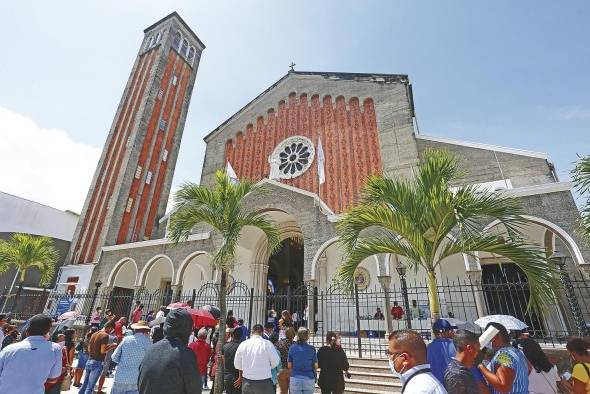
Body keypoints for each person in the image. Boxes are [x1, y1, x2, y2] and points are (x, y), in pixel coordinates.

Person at [138, 308, 202, 394]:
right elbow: (195, 389)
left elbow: (140, 382)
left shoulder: (151, 349)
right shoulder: (186, 355)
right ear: (187, 329)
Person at [0, 314, 62, 394]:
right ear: (48, 331)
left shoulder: (9, 349)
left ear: (27, 331)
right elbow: (53, 379)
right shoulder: (55, 349)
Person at [387, 329, 447, 394]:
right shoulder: (423, 382)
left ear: (405, 359)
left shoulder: (417, 388)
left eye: (390, 353)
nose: (389, 358)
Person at [477, 322, 529, 394]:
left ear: (494, 337)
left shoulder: (503, 355)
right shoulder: (517, 352)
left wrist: (480, 365)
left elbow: (503, 386)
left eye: (487, 338)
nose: (487, 342)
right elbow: (529, 368)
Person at [234, 323, 280, 394]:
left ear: (252, 332)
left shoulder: (243, 344)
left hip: (247, 382)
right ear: (262, 333)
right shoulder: (268, 344)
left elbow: (237, 364)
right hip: (264, 382)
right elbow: (276, 362)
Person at [111, 320, 152, 394]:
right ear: (146, 331)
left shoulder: (126, 339)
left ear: (135, 329)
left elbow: (114, 357)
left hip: (120, 377)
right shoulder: (149, 342)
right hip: (136, 379)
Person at [443, 329, 488, 394]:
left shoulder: (461, 370)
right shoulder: (456, 374)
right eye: (477, 350)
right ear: (469, 348)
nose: (477, 354)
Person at [78, 320, 117, 394]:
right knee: (90, 387)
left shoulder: (94, 334)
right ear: (110, 328)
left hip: (90, 360)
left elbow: (90, 349)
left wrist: (108, 346)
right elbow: (103, 351)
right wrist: (112, 346)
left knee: (84, 385)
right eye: (112, 330)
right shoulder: (105, 335)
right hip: (97, 363)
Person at [288, 327, 317, 394]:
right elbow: (315, 366)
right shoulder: (312, 349)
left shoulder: (292, 348)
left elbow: (289, 366)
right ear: (307, 337)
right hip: (309, 379)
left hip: (295, 378)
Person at [427, 319, 456, 383]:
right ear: (449, 331)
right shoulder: (456, 345)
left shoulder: (428, 348)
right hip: (455, 386)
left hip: (437, 386)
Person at [222, 328, 243, 394]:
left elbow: (224, 362)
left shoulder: (225, 346)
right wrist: (240, 377)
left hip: (227, 376)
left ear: (232, 335)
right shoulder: (242, 347)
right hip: (237, 377)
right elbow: (241, 363)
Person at [275, 327, 296, 393]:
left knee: (283, 392)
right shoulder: (296, 345)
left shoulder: (279, 343)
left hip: (282, 370)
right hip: (293, 371)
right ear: (294, 334)